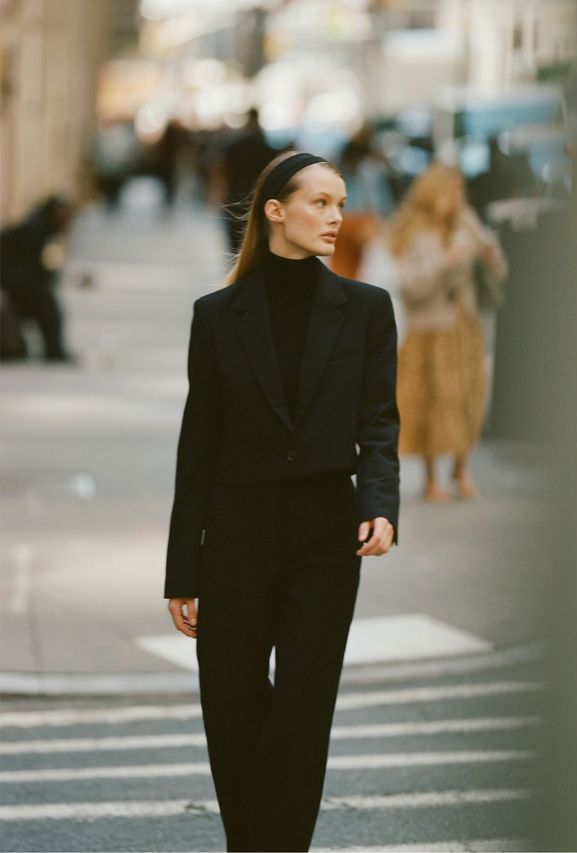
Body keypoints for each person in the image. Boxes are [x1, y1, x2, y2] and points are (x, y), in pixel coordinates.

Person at [164, 151, 400, 853]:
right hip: (236, 534)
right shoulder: (217, 315)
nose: (337, 217)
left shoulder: (364, 308)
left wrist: (381, 501)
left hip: (325, 535)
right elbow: (197, 446)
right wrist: (183, 569)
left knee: (302, 709)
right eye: (321, 203)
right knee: (232, 705)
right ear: (276, 210)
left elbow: (379, 422)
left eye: (340, 203)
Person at [388, 163, 507, 501]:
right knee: (430, 401)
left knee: (467, 396)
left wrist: (488, 253)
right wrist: (446, 259)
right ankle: (430, 478)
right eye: (450, 191)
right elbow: (410, 287)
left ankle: (461, 468)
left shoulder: (465, 222)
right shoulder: (413, 231)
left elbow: (498, 269)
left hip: (462, 324)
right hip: (428, 330)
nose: (456, 198)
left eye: (459, 191)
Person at [0, 194, 75, 362]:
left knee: (46, 304)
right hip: (12, 281)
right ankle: (53, 350)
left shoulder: (41, 229)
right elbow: (31, 269)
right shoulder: (34, 231)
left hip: (16, 280)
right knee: (47, 306)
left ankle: (52, 349)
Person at [331, 125, 394, 279]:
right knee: (365, 270)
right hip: (362, 218)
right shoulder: (371, 166)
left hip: (343, 217)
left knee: (342, 268)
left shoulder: (340, 162)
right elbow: (376, 198)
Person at [216, 107, 279, 254]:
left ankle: (238, 268)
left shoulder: (237, 142)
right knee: (253, 237)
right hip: (256, 195)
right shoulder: (263, 144)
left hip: (235, 194)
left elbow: (220, 167)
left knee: (234, 238)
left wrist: (218, 191)